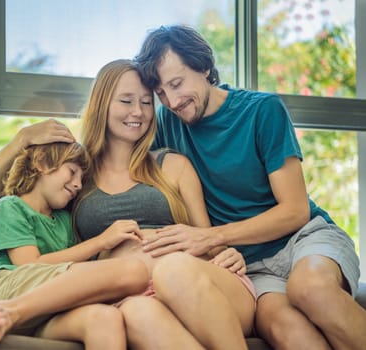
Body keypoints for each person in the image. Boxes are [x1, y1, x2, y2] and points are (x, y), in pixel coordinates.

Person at [0, 59, 256, 349]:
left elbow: (209, 240)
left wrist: (227, 252)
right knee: (136, 313)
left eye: (147, 103)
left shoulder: (173, 165)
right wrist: (23, 138)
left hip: (199, 287)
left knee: (172, 270)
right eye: (126, 101)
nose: (138, 112)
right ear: (102, 105)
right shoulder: (77, 175)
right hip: (132, 298)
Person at [133, 24, 366, 349]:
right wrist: (34, 137)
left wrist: (211, 236)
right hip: (252, 269)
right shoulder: (168, 124)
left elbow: (295, 211)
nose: (171, 101)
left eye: (176, 83)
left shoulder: (262, 111)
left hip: (304, 239)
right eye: (160, 93)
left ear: (203, 66)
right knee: (286, 329)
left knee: (309, 289)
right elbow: (107, 149)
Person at [0, 141, 152, 349]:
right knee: (133, 270)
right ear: (42, 163)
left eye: (82, 179)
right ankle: (5, 310)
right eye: (72, 171)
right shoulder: (12, 206)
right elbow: (29, 264)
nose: (78, 185)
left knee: (104, 318)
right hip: (6, 288)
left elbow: (75, 273)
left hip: (44, 312)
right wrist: (101, 241)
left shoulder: (64, 220)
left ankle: (6, 314)